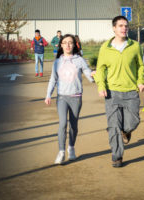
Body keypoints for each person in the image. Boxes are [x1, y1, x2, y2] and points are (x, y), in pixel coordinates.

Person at [94, 16, 144, 168]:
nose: (124, 28)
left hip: (131, 92)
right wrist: (101, 86)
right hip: (112, 93)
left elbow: (141, 66)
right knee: (113, 126)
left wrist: (141, 81)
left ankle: (126, 131)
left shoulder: (135, 46)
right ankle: (117, 156)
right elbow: (100, 69)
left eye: (126, 26)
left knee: (133, 122)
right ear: (114, 28)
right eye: (121, 26)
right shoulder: (105, 47)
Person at [45, 34, 94, 165]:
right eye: (65, 42)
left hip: (76, 97)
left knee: (73, 125)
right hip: (61, 97)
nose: (67, 45)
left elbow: (88, 73)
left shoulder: (79, 60)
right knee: (62, 124)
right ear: (61, 45)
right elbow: (53, 79)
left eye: (70, 43)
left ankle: (71, 148)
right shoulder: (57, 62)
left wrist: (94, 77)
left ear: (74, 45)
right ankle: (61, 152)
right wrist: (48, 94)